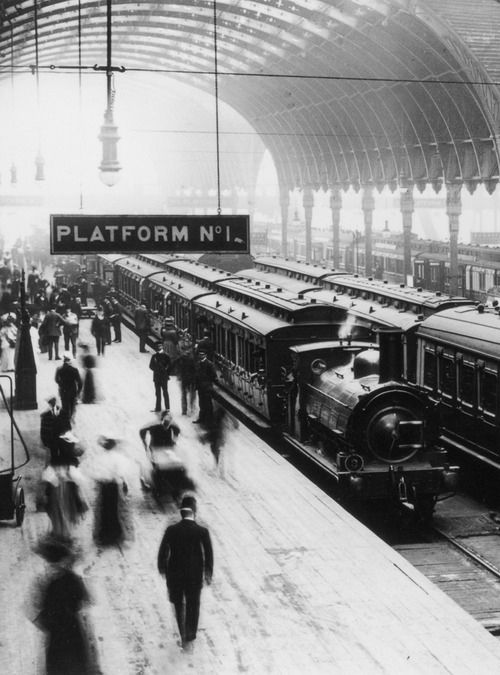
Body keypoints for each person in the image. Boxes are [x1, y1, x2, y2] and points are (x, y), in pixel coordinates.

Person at [32, 536, 100, 675]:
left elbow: (38, 611)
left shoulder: (49, 583)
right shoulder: (73, 579)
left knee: (58, 667)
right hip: (73, 631)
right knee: (79, 665)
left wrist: (45, 622)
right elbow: (88, 599)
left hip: (57, 635)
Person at [157, 495, 213, 649]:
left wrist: (162, 567)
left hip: (174, 575)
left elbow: (163, 551)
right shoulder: (202, 532)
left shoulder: (171, 530)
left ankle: (183, 635)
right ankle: (190, 637)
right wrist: (208, 572)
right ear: (194, 512)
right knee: (193, 605)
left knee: (178, 604)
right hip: (194, 576)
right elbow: (208, 554)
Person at [93, 435, 134, 549]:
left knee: (104, 510)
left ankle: (104, 536)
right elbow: (122, 472)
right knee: (118, 510)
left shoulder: (99, 458)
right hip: (115, 486)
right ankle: (119, 535)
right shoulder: (118, 457)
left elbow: (95, 474)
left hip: (104, 487)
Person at [55, 352, 83, 422]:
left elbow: (56, 379)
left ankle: (66, 420)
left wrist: (60, 384)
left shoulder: (59, 369)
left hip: (63, 390)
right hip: (72, 390)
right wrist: (79, 392)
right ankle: (71, 419)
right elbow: (80, 382)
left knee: (65, 406)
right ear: (69, 360)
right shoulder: (74, 370)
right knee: (72, 405)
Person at [193, 350, 217, 425]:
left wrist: (207, 381)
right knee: (201, 403)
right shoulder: (198, 363)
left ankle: (210, 420)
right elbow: (196, 375)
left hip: (207, 387)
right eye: (200, 355)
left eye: (202, 354)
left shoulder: (210, 364)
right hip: (200, 387)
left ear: (206, 355)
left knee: (208, 404)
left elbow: (214, 375)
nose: (201, 356)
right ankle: (202, 418)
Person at [177, 332, 196, 416]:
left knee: (184, 394)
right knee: (190, 393)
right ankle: (190, 407)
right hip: (189, 377)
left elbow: (178, 367)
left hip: (185, 377)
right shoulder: (192, 356)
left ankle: (185, 409)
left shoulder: (181, 357)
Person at [149, 342, 171, 412]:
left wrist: (165, 372)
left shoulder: (166, 356)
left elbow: (170, 366)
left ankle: (167, 408)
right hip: (158, 377)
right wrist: (157, 369)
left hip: (163, 377)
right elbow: (151, 366)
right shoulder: (154, 356)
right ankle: (158, 407)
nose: (159, 347)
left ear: (162, 347)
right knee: (158, 393)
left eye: (160, 346)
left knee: (165, 392)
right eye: (158, 346)